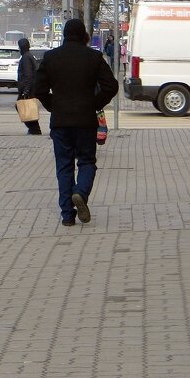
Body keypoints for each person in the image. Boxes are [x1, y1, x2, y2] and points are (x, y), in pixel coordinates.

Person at [34, 18, 118, 226]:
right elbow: (111, 86)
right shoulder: (94, 57)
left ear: (64, 35)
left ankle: (67, 215)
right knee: (87, 162)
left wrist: (52, 105)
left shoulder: (51, 57)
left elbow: (39, 88)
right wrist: (95, 103)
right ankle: (80, 192)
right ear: (84, 36)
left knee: (64, 166)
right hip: (86, 120)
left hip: (60, 121)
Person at [16, 37, 42, 135]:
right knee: (28, 108)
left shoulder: (26, 57)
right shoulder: (28, 56)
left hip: (27, 89)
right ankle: (34, 128)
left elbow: (28, 74)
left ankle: (34, 129)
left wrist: (25, 90)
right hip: (29, 88)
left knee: (24, 108)